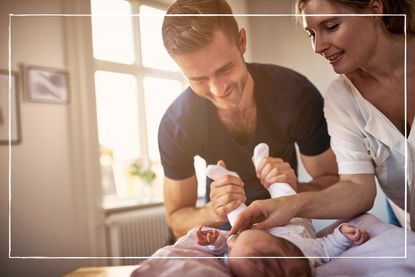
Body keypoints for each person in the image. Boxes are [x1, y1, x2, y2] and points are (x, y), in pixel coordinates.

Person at [230, 0, 415, 235]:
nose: (318, 47)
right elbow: (358, 188)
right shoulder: (341, 98)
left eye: (331, 26)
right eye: (311, 33)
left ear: (374, 10)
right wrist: (289, 204)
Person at [159, 0, 338, 238]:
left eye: (225, 69)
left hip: (286, 231)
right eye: (199, 79)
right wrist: (214, 210)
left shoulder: (296, 96)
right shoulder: (176, 125)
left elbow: (336, 183)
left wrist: (294, 189)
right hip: (222, 236)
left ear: (242, 42)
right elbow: (176, 219)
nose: (218, 89)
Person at [196, 223, 369, 277]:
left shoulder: (233, 259)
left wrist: (215, 241)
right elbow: (327, 245)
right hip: (295, 224)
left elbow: (220, 251)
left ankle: (223, 176)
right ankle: (276, 181)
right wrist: (342, 235)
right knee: (284, 190)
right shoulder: (307, 252)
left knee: (236, 215)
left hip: (260, 226)